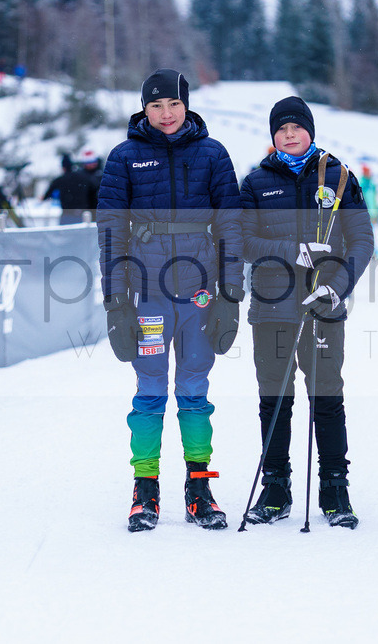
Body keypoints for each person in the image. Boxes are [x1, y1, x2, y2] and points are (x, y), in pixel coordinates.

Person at [98, 68, 243, 533]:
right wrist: (115, 300)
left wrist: (231, 293)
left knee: (195, 391)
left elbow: (230, 225)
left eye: (174, 105)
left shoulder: (213, 153)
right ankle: (146, 489)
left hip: (200, 296)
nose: (166, 114)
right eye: (156, 106)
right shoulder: (124, 157)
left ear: (187, 105)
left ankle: (199, 488)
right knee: (149, 392)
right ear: (144, 109)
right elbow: (111, 230)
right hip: (148, 296)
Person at [239, 96, 373, 529]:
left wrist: (339, 287)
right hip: (272, 307)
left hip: (323, 306)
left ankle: (335, 489)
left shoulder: (338, 175)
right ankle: (275, 488)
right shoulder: (257, 181)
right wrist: (290, 251)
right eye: (282, 128)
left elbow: (362, 241)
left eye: (298, 127)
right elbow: (240, 241)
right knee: (274, 400)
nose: (290, 134)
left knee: (327, 397)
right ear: (273, 135)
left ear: (311, 132)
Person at [43, 153, 95, 225]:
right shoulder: (84, 178)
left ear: (63, 167)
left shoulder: (60, 180)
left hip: (67, 214)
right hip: (83, 214)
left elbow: (47, 194)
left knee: (65, 235)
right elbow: (93, 193)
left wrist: (43, 198)